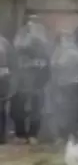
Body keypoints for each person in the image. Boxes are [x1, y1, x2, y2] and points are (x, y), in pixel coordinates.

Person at [10, 16, 51, 144]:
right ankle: (20, 134)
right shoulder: (18, 46)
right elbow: (14, 65)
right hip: (20, 85)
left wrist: (42, 82)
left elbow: (46, 67)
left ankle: (33, 134)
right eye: (30, 23)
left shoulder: (43, 48)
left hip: (36, 85)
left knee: (36, 110)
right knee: (17, 109)